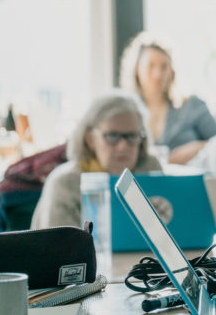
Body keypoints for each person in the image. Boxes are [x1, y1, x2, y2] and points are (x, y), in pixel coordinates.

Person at [32, 92, 163, 229]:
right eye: (112, 136)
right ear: (90, 139)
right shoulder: (65, 183)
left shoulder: (150, 170)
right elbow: (58, 246)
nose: (123, 146)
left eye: (132, 136)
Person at [119, 32, 216, 165]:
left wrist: (198, 147)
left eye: (164, 66)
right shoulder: (125, 112)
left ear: (172, 71)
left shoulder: (192, 105)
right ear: (137, 69)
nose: (157, 74)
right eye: (151, 66)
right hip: (142, 183)